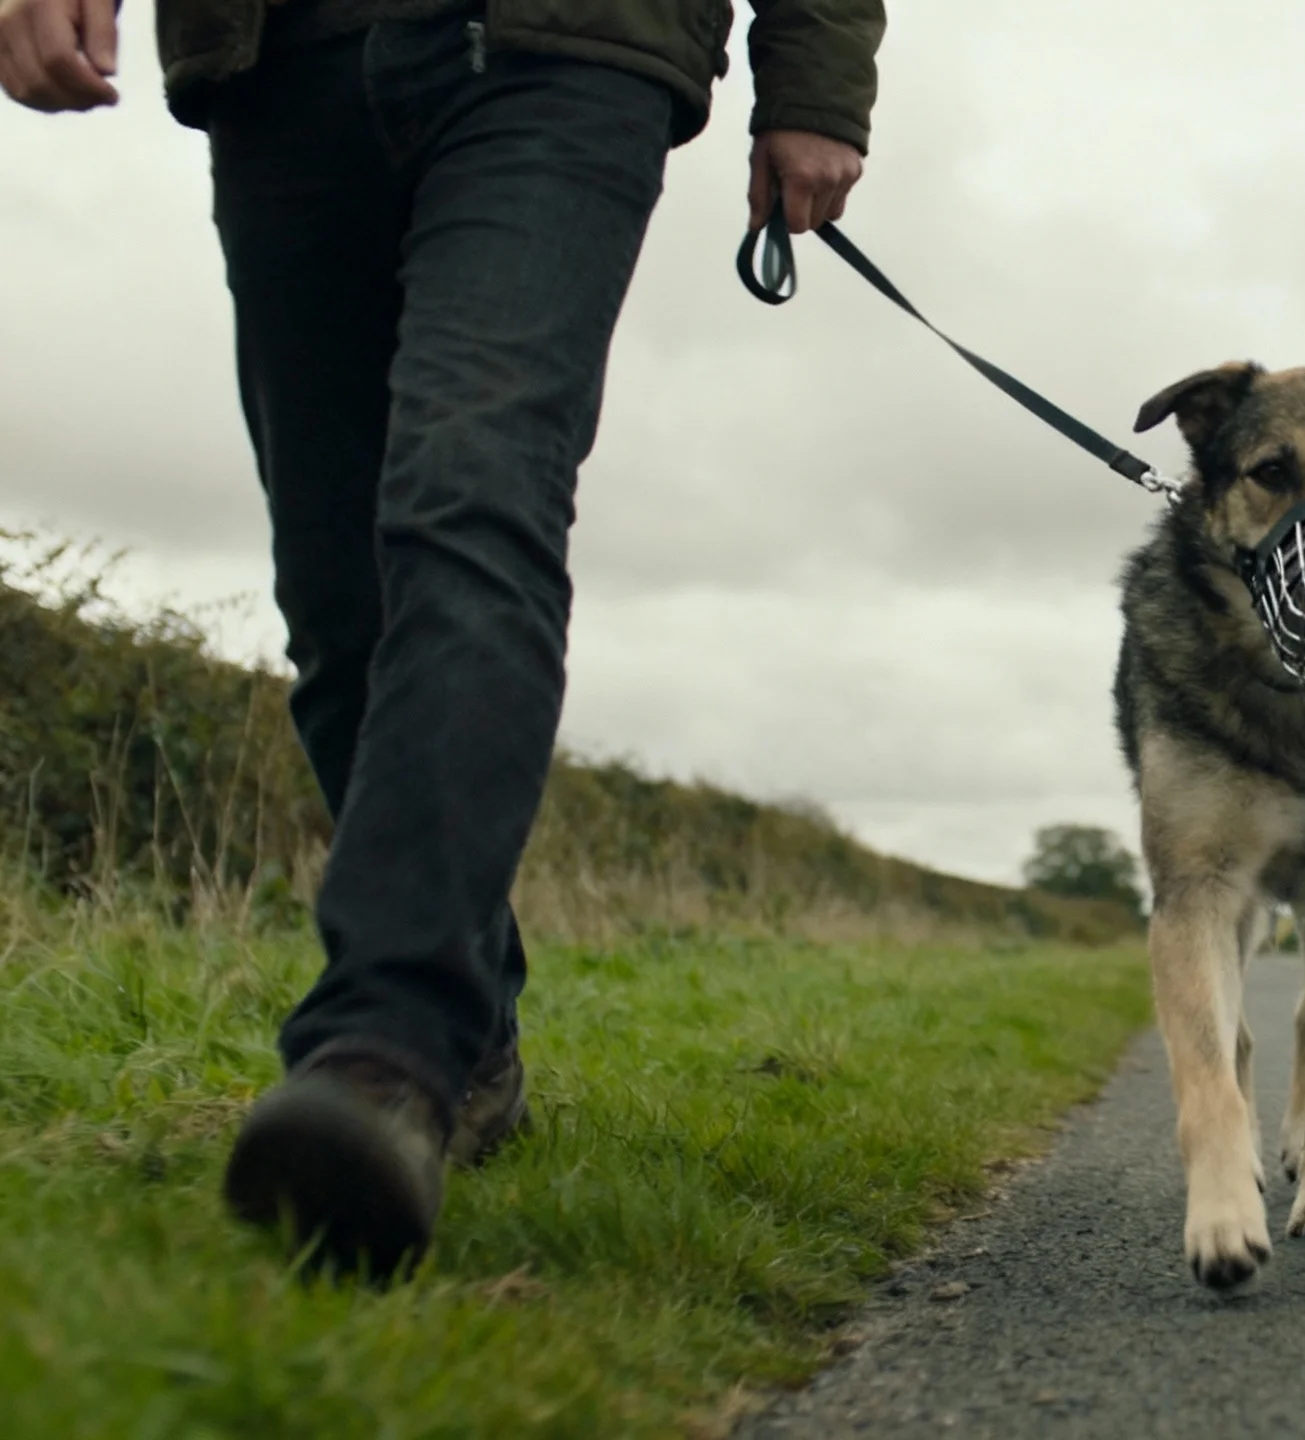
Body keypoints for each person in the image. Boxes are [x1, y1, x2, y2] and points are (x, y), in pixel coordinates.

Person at [0, 0, 884, 1273]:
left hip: (563, 51)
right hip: (280, 62)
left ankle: (384, 1053)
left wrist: (816, 82)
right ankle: (466, 1041)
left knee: (472, 495)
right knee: (336, 583)